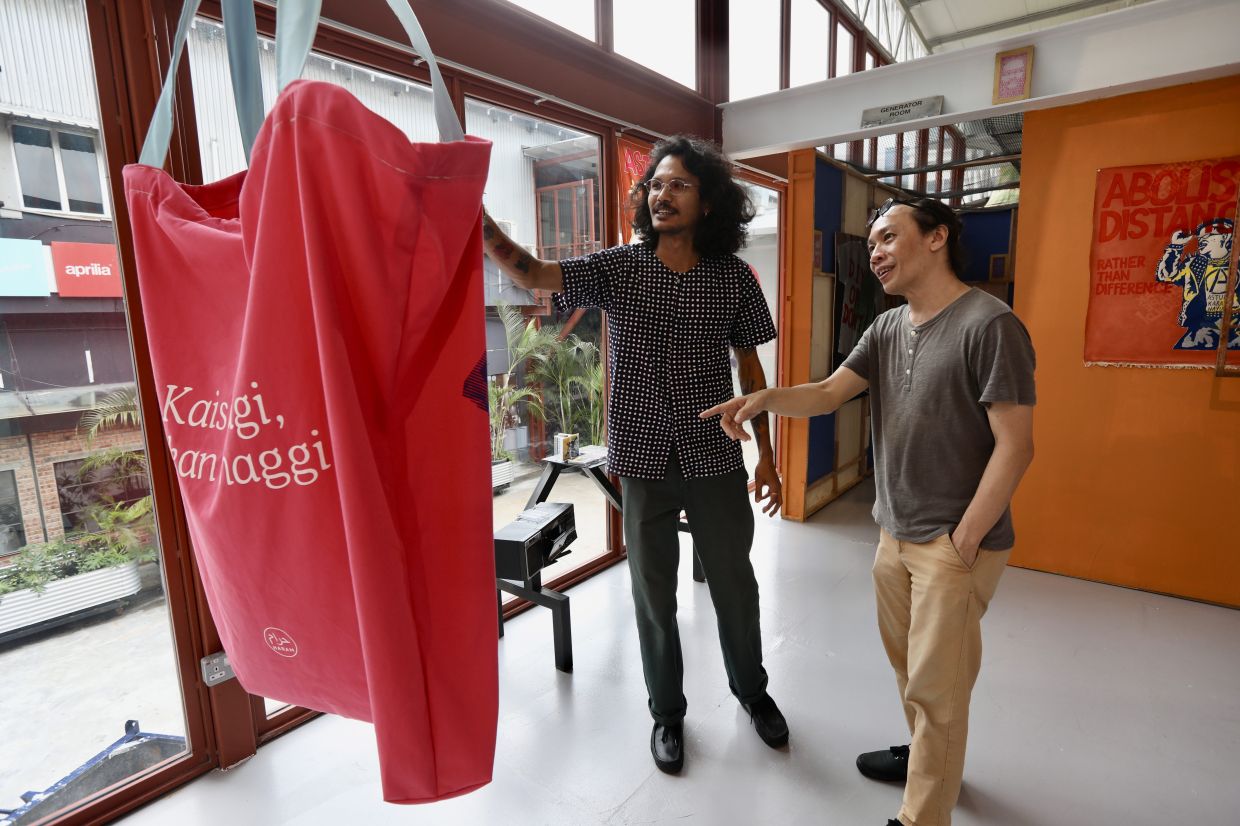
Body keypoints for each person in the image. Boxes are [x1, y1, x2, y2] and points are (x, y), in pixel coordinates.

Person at [703, 197, 1036, 825]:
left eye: (888, 237)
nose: (875, 252)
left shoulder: (989, 325)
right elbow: (829, 394)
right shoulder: (886, 329)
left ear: (937, 238)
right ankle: (927, 760)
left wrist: (962, 542)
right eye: (871, 242)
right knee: (911, 669)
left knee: (938, 685)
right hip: (893, 532)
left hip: (954, 541)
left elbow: (1017, 447)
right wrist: (762, 397)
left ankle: (921, 814)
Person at [480, 135, 788, 775]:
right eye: (655, 184)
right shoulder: (619, 267)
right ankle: (667, 713)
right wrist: (480, 225)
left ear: (708, 201)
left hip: (716, 453)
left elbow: (752, 370)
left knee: (735, 582)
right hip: (644, 457)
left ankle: (752, 692)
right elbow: (537, 275)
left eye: (679, 184)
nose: (662, 194)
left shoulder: (733, 277)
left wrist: (769, 458)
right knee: (653, 592)